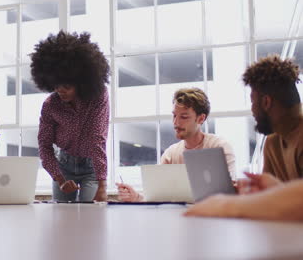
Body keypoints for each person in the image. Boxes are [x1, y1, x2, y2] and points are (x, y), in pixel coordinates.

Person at [185, 55, 303, 220]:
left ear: (266, 102)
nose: (253, 110)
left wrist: (226, 205)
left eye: (253, 102)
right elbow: (272, 196)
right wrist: (249, 192)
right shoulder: (273, 142)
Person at [31, 31, 110, 202]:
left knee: (90, 216)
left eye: (66, 84)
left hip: (91, 168)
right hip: (64, 166)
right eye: (56, 84)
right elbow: (44, 145)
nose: (60, 90)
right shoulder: (51, 105)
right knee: (61, 218)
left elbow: (97, 139)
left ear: (81, 81)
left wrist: (103, 186)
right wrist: (59, 179)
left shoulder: (98, 97)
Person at [117, 88, 236, 202]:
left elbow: (230, 193)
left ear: (201, 118)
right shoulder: (171, 154)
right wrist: (136, 197)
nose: (176, 123)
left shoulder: (219, 147)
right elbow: (158, 197)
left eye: (184, 117)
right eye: (174, 115)